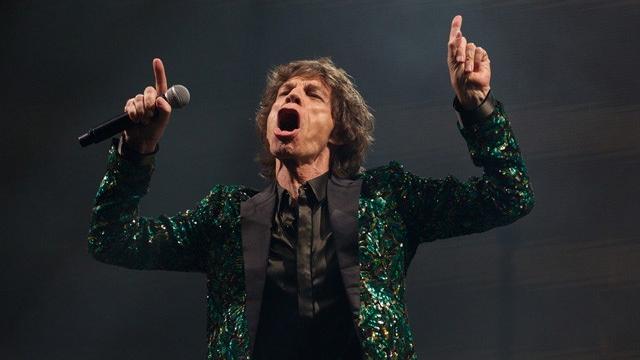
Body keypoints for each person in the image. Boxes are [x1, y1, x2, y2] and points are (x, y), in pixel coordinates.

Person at [88, 15, 534, 359]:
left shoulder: (386, 200)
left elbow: (509, 197)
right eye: (284, 93)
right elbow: (111, 239)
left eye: (311, 94)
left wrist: (477, 109)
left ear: (338, 130)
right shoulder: (226, 216)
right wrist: (138, 148)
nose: (291, 96)